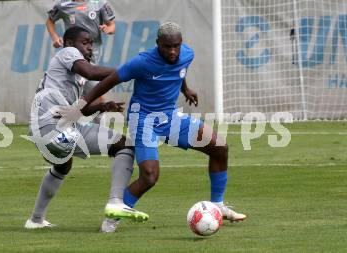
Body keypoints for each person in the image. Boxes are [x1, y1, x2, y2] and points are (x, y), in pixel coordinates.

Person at [80, 22, 247, 231]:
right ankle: (113, 217)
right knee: (149, 176)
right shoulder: (141, 62)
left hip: (170, 117)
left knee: (220, 147)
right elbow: (108, 82)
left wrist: (185, 89)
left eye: (176, 46)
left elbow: (180, 70)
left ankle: (218, 205)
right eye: (167, 47)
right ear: (158, 43)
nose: (173, 51)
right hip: (143, 120)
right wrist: (81, 105)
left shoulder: (187, 54)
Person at [24, 26, 148, 233]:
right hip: (49, 125)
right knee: (119, 146)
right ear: (70, 43)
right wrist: (130, 70)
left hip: (61, 125)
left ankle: (35, 220)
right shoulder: (67, 53)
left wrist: (102, 106)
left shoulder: (80, 77)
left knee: (121, 146)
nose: (90, 47)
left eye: (91, 43)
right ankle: (116, 201)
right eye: (85, 42)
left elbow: (81, 107)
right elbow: (91, 71)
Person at [46, 0, 116, 100]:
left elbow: (112, 25)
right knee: (91, 88)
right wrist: (55, 38)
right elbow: (49, 21)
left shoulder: (100, 3)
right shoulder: (63, 4)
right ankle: (101, 110)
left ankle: (97, 108)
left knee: (89, 90)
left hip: (93, 53)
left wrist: (109, 28)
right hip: (73, 53)